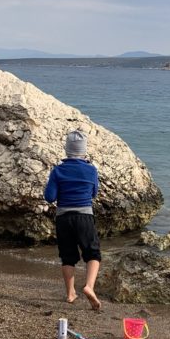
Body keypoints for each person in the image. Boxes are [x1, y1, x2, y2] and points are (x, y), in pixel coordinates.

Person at [43, 130, 102, 310]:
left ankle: (70, 293)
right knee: (93, 253)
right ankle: (89, 286)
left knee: (67, 257)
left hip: (64, 218)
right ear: (84, 150)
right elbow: (94, 193)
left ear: (67, 150)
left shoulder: (58, 170)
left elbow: (50, 197)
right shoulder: (91, 170)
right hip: (84, 216)